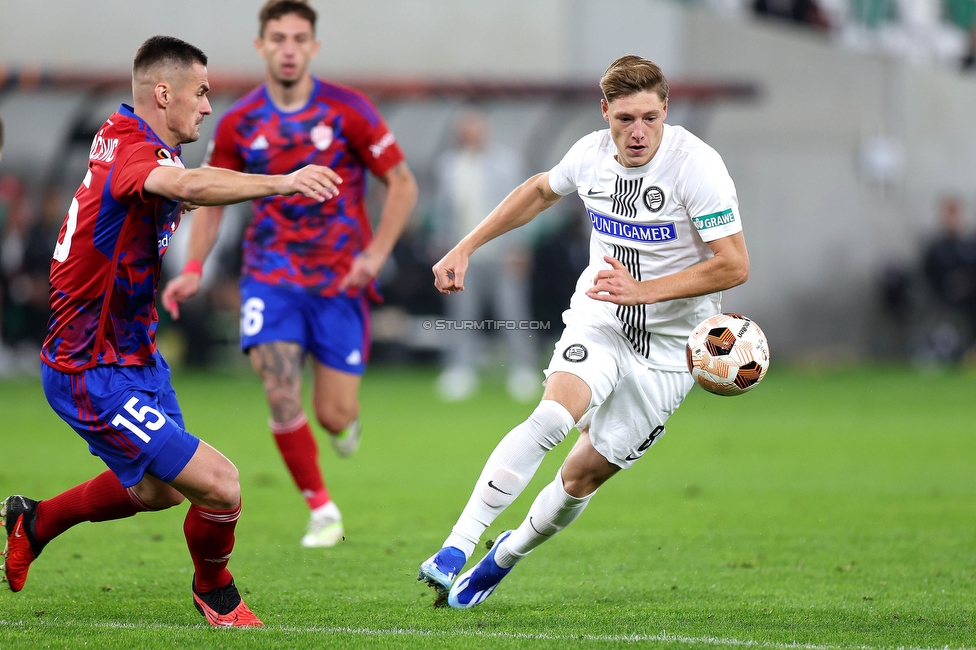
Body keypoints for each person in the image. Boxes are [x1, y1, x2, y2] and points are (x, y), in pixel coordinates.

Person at [1, 35, 342, 627]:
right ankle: (217, 592)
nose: (208, 106)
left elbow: (179, 192)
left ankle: (36, 520)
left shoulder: (134, 138)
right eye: (201, 92)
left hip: (136, 358)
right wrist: (284, 181)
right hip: (90, 371)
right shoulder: (136, 154)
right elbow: (186, 188)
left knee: (163, 491)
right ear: (164, 93)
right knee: (221, 485)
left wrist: (187, 269)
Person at [417, 55, 750, 609]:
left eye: (649, 117)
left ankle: (504, 555)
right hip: (603, 318)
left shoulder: (699, 167)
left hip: (673, 349)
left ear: (665, 109)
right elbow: (538, 191)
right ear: (605, 113)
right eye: (624, 119)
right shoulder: (591, 155)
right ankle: (456, 545)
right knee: (551, 416)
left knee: (580, 478)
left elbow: (734, 265)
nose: (638, 132)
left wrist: (645, 290)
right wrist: (465, 246)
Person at [161, 0, 417, 548]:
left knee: (332, 414)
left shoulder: (349, 110)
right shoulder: (239, 121)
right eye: (277, 38)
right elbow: (210, 196)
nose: (288, 48)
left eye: (299, 38)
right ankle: (322, 509)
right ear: (261, 46)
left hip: (339, 282)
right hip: (270, 276)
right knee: (279, 389)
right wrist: (194, 269)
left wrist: (375, 255)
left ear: (313, 48)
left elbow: (401, 182)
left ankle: (344, 425)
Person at [432, 111, 537, 402]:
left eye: (475, 129)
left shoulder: (507, 163)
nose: (470, 135)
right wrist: (442, 246)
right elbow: (443, 211)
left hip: (502, 252)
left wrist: (520, 246)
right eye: (465, 130)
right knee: (462, 314)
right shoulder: (449, 165)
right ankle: (460, 369)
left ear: (484, 130)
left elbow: (524, 208)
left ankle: (523, 369)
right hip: (463, 256)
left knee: (512, 311)